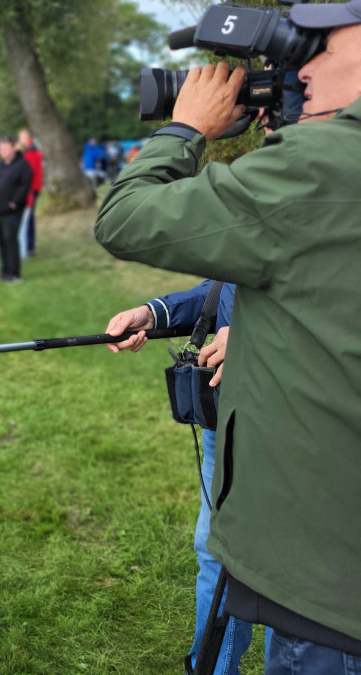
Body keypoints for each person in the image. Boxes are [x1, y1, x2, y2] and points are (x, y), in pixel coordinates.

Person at [95, 0, 361, 673]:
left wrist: (186, 128)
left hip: (314, 549)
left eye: (318, 50)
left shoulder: (323, 166)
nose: (300, 71)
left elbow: (126, 218)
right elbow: (296, 278)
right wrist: (159, 314)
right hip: (316, 520)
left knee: (229, 561)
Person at [105, 282, 258, 675]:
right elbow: (227, 283)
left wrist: (254, 332)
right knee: (214, 550)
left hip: (296, 422)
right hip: (224, 416)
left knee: (290, 563)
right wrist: (153, 312)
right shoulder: (253, 224)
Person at [0, 134, 31, 284]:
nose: (2, 151)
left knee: (10, 240)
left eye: (5, 148)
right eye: (0, 148)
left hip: (11, 212)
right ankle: (5, 271)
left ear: (13, 148)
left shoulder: (22, 165)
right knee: (2, 242)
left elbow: (25, 185)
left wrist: (14, 202)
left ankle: (14, 273)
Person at [17, 128, 42, 260]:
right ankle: (29, 246)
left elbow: (29, 172)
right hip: (34, 187)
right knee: (29, 219)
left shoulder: (31, 151)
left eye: (21, 138)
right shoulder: (33, 149)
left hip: (31, 189)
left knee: (26, 220)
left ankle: (27, 248)